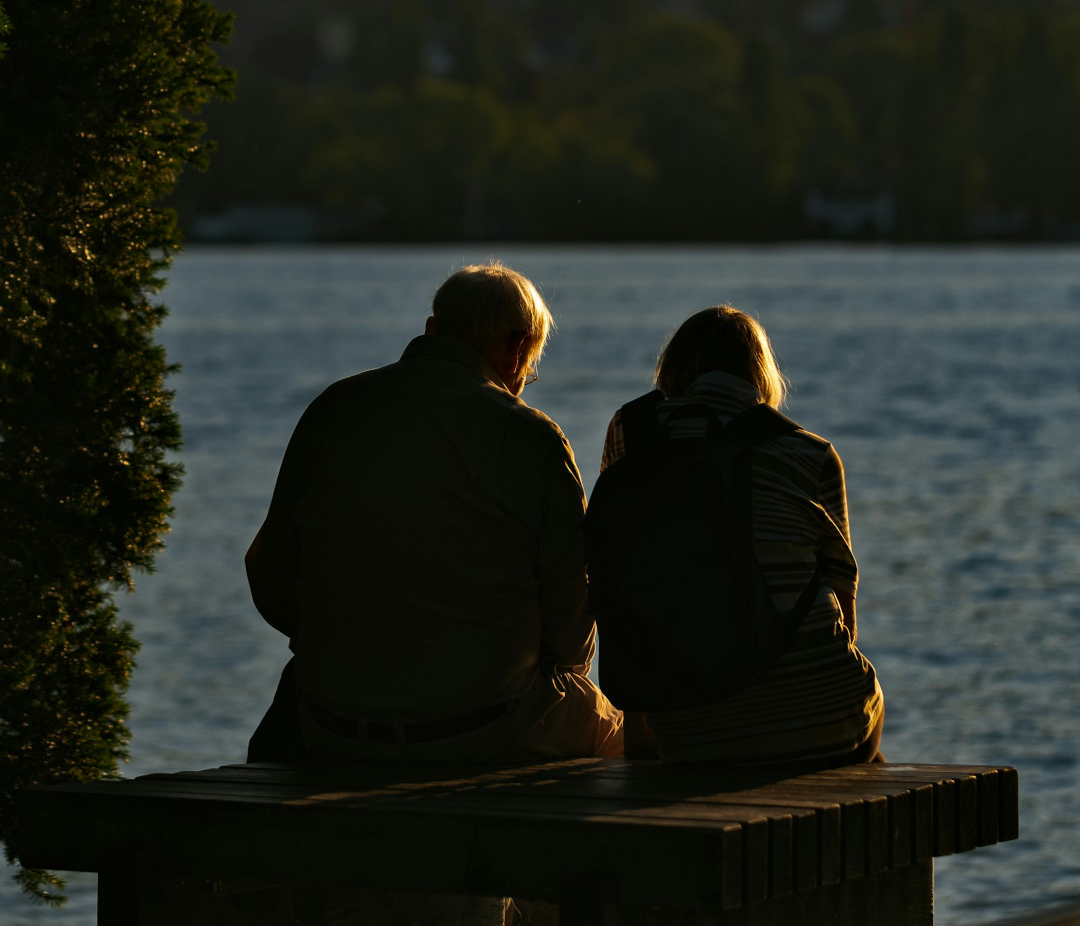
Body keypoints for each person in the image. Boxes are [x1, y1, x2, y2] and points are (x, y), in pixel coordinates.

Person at [245, 262, 622, 768]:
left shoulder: (334, 409)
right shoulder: (532, 437)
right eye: (528, 367)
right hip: (483, 733)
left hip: (330, 726)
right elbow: (571, 628)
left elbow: (269, 575)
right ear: (517, 348)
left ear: (432, 329)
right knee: (628, 735)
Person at [590, 305, 883, 765]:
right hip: (822, 718)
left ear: (675, 368)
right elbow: (844, 613)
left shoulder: (631, 432)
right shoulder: (811, 453)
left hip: (687, 729)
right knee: (868, 719)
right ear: (760, 374)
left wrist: (643, 751)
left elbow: (623, 580)